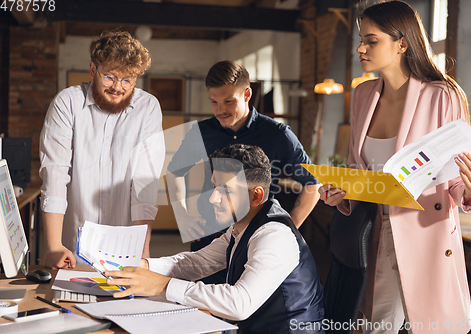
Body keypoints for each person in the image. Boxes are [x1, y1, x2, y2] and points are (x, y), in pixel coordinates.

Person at [319, 1, 471, 334]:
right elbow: (358, 166)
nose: (361, 48)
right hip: (374, 232)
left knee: (432, 328)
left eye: (371, 40)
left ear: (402, 43)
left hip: (426, 230)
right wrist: (343, 191)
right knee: (373, 329)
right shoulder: (363, 95)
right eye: (361, 39)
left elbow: (453, 177)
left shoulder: (443, 96)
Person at [107, 144, 325, 334]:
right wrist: (143, 265)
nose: (213, 198)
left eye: (225, 190)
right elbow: (196, 262)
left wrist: (162, 286)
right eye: (214, 187)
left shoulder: (274, 236)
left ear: (256, 195)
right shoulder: (241, 227)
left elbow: (239, 303)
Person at [166, 60, 320, 283]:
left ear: (247, 94)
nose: (220, 110)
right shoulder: (201, 132)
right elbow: (174, 172)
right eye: (214, 102)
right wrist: (184, 215)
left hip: (255, 239)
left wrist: (287, 229)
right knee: (202, 305)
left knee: (246, 307)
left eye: (228, 102)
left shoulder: (278, 134)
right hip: (208, 237)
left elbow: (313, 184)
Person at [40, 31, 165, 269]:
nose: (118, 87)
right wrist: (53, 246)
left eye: (127, 80)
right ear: (92, 70)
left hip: (127, 246)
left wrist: (144, 250)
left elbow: (145, 183)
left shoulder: (148, 108)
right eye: (109, 77)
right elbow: (55, 175)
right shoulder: (67, 103)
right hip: (72, 246)